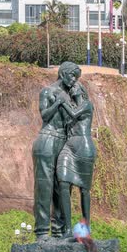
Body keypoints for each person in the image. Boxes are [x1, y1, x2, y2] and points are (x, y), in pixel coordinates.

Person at [32, 62, 79, 241]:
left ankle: (59, 231)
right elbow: (44, 115)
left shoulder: (71, 95)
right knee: (44, 186)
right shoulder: (47, 91)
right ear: (63, 73)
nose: (74, 80)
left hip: (63, 142)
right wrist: (58, 102)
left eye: (77, 77)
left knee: (63, 186)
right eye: (72, 76)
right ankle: (42, 232)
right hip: (47, 140)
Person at [56, 80, 96, 238]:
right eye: (70, 88)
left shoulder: (87, 105)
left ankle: (85, 229)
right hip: (68, 147)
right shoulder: (71, 106)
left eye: (75, 87)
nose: (72, 89)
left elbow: (74, 114)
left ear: (82, 90)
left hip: (84, 148)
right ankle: (66, 229)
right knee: (63, 182)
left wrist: (62, 102)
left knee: (84, 190)